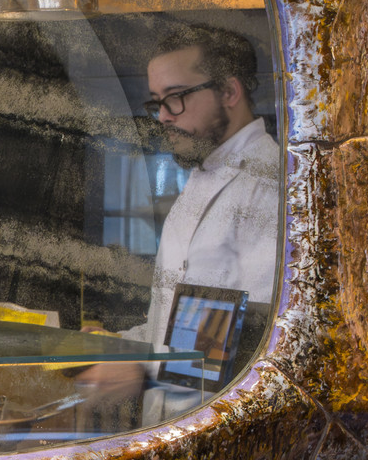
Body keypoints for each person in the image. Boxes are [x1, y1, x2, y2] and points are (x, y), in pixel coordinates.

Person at [78, 25, 280, 423]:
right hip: (177, 428)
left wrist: (141, 370)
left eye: (176, 98)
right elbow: (174, 325)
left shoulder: (268, 183)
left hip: (230, 430)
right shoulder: (203, 173)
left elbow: (256, 336)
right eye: (157, 103)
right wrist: (124, 346)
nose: (165, 118)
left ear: (229, 92)